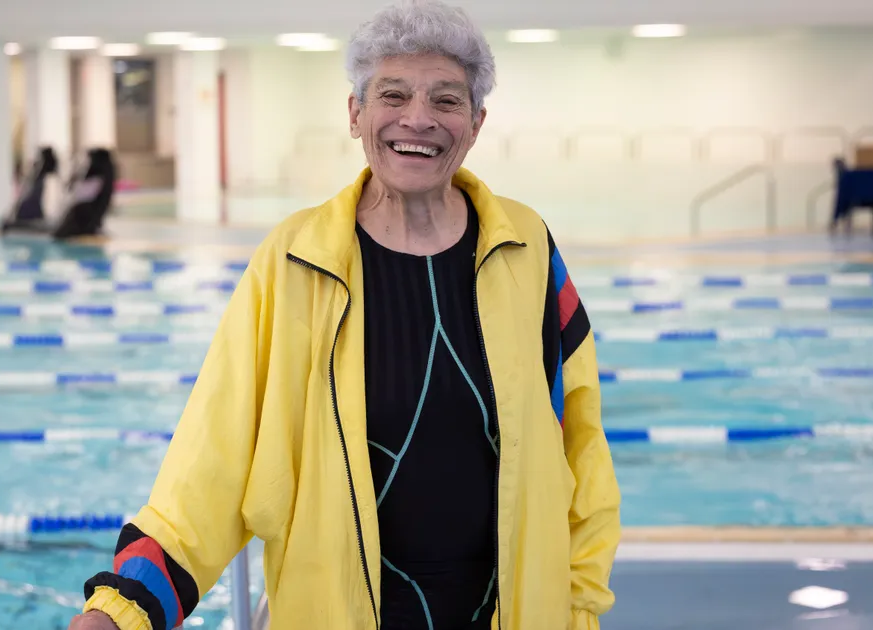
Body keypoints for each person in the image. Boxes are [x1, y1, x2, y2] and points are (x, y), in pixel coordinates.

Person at [70, 1, 620, 628]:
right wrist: (120, 609)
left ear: (475, 123)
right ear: (356, 114)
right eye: (393, 94)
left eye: (446, 99)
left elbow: (582, 452)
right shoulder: (293, 261)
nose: (418, 118)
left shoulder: (528, 248)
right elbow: (209, 462)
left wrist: (579, 608)